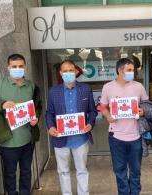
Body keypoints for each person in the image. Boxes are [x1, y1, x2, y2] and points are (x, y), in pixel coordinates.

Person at [0, 54, 41, 195]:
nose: (17, 69)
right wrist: (2, 105)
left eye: (20, 66)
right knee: (10, 174)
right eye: (14, 67)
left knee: (26, 171)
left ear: (25, 67)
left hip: (27, 139)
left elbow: (37, 106)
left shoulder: (31, 86)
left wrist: (36, 117)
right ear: (8, 67)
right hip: (8, 142)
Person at [45, 59, 97, 195]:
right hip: (61, 139)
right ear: (61, 73)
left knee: (82, 170)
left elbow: (92, 111)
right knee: (63, 171)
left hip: (80, 138)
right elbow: (49, 113)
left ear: (75, 72)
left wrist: (90, 124)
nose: (68, 73)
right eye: (65, 71)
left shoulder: (85, 89)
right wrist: (50, 127)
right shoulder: (53, 91)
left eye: (71, 70)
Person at [100, 58, 149, 195]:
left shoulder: (138, 87)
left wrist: (143, 111)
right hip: (116, 137)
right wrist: (108, 116)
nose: (132, 73)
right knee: (120, 172)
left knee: (135, 172)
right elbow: (102, 106)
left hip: (136, 137)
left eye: (132, 70)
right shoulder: (108, 87)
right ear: (120, 70)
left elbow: (147, 105)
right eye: (129, 70)